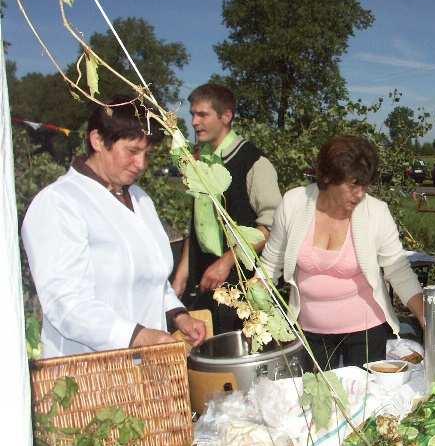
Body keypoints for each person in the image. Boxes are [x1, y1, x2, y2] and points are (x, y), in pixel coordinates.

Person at [22, 98, 206, 358]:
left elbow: (154, 280)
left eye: (147, 154)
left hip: (148, 370)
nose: (141, 164)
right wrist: (135, 335)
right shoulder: (59, 203)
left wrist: (179, 316)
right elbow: (65, 303)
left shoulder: (141, 200)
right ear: (97, 140)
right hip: (90, 373)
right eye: (132, 151)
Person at [260, 135, 424, 369]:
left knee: (364, 402)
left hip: (366, 333)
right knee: (318, 401)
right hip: (309, 332)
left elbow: (398, 271)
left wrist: (424, 315)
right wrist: (254, 303)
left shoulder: (376, 213)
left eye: (365, 185)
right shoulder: (294, 203)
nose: (360, 194)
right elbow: (270, 263)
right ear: (327, 177)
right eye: (353, 184)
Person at [172, 83, 281, 333]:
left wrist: (226, 262)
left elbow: (270, 227)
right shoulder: (199, 162)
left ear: (226, 116)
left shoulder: (253, 162)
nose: (194, 122)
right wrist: (181, 274)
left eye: (203, 114)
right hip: (204, 285)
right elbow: (197, 224)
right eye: (192, 114)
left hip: (241, 289)